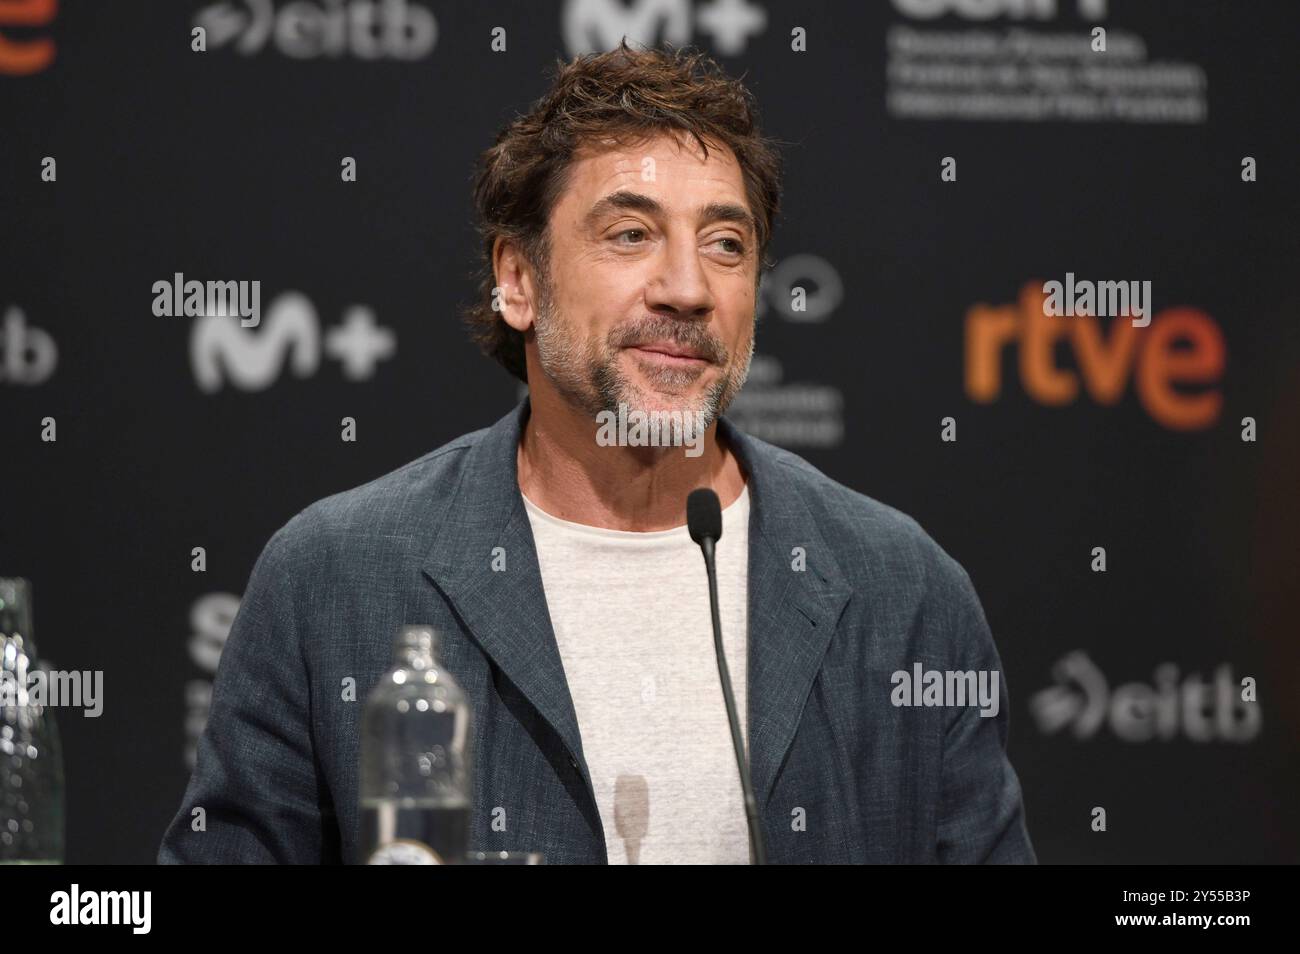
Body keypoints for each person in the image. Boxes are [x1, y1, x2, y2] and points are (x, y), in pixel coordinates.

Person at [159, 40, 1035, 865]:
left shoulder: (903, 591)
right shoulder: (336, 579)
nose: (688, 288)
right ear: (519, 280)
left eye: (725, 245)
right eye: (630, 234)